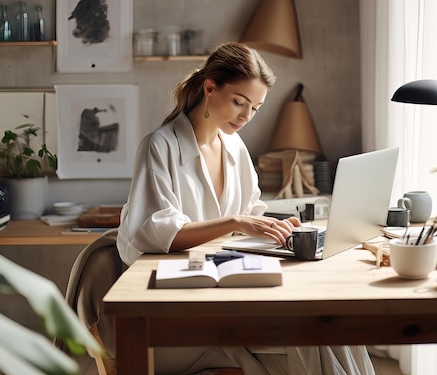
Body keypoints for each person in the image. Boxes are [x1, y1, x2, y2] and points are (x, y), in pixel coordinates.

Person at [117, 42, 376, 375]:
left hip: (225, 295)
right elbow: (156, 235)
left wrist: (277, 228)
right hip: (173, 313)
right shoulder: (160, 146)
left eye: (255, 108)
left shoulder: (233, 145)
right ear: (210, 87)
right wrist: (235, 221)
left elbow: (252, 212)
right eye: (239, 102)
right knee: (313, 338)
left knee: (331, 328)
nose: (246, 116)